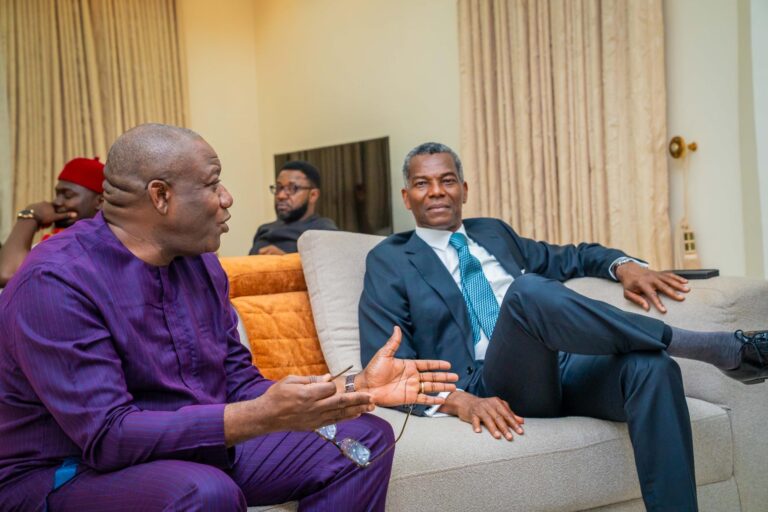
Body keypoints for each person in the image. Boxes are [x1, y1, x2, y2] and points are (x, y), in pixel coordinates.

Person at [0, 125, 458, 511]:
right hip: (66, 470)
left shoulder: (200, 263)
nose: (227, 197)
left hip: (189, 448)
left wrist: (351, 388)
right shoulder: (56, 282)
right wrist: (256, 417)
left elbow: (237, 382)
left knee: (368, 439)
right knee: (204, 492)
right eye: (212, 183)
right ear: (160, 196)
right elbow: (108, 437)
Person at [359, 142, 768, 511]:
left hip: (565, 364)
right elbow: (388, 366)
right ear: (406, 197)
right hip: (494, 382)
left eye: (447, 180)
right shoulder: (389, 260)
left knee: (653, 368)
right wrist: (460, 401)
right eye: (422, 183)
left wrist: (625, 266)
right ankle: (709, 347)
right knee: (527, 292)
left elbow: (573, 256)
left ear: (463, 190)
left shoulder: (493, 233)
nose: (436, 191)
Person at [0, 156, 104, 287]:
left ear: (100, 202)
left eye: (67, 195)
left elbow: (7, 274)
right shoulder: (49, 242)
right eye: (57, 194)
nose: (57, 202)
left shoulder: (98, 247)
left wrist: (30, 215)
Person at [249, 160, 337, 255]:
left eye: (292, 188)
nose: (281, 196)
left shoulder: (323, 230)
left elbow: (329, 263)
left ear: (313, 195)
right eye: (279, 187)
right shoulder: (264, 229)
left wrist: (285, 260)